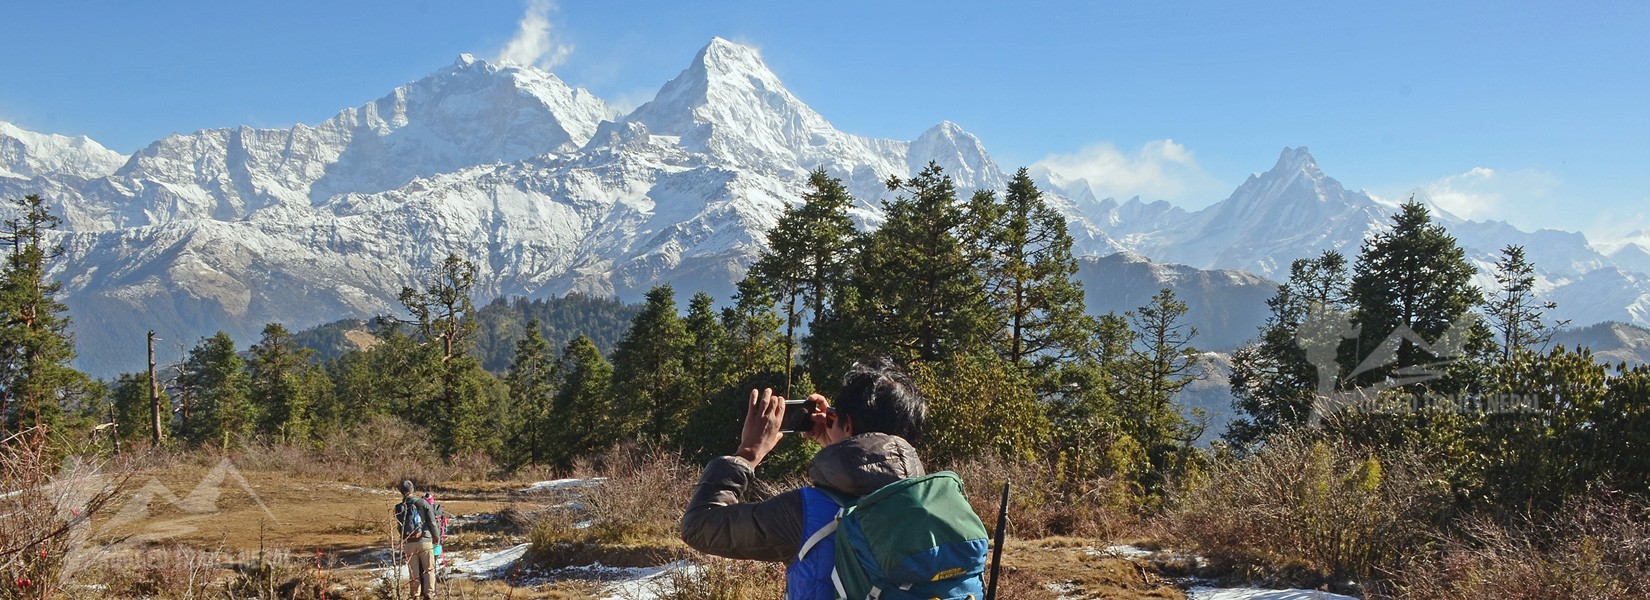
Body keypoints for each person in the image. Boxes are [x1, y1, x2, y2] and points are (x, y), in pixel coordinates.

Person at [680, 357, 929, 596]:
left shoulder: (805, 513)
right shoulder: (935, 505)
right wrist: (837, 450)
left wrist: (748, 453)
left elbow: (699, 526)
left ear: (848, 426)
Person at [395, 479, 440, 600]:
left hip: (409, 543)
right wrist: (436, 537)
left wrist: (405, 538)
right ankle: (429, 594)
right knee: (429, 569)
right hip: (424, 540)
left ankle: (415, 595)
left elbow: (399, 527)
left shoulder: (399, 507)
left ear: (401, 492)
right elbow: (432, 522)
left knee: (413, 572)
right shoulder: (423, 503)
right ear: (412, 490)